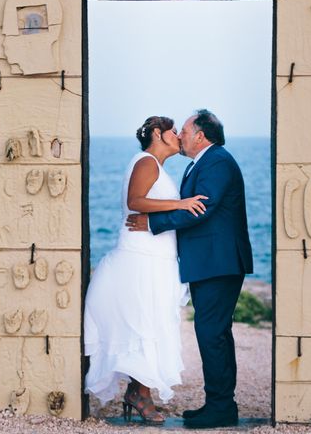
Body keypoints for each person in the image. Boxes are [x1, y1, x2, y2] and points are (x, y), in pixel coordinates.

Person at [126, 109, 253, 429]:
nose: (180, 136)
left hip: (218, 263)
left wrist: (151, 223)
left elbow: (201, 209)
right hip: (209, 263)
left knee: (213, 335)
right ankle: (219, 404)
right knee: (213, 334)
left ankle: (222, 408)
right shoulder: (204, 163)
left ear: (200, 135)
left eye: (184, 130)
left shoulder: (218, 162)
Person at [84, 116, 208, 425]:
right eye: (173, 131)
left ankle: (140, 392)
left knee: (151, 323)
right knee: (145, 324)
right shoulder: (146, 161)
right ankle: (140, 395)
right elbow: (135, 200)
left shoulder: (158, 166)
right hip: (141, 258)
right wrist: (180, 205)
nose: (179, 136)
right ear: (157, 133)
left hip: (156, 257)